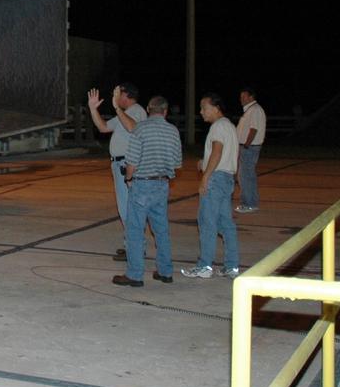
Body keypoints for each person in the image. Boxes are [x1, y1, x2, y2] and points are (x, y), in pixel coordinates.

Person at [112, 95, 182, 287]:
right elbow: (177, 162)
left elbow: (132, 160)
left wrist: (128, 178)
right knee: (161, 231)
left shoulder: (140, 129)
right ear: (165, 111)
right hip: (162, 185)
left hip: (142, 184)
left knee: (135, 230)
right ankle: (165, 271)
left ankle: (135, 274)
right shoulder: (173, 131)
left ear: (149, 110)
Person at [183, 93, 240, 278]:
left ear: (216, 108)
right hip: (227, 178)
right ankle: (231, 266)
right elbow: (226, 155)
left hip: (216, 179)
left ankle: (205, 266)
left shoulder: (218, 126)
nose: (201, 112)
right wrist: (204, 163)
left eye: (203, 107)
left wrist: (205, 177)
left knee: (207, 221)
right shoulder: (230, 126)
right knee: (226, 224)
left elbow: (217, 150)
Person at [88, 83, 146, 261]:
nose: (115, 97)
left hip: (127, 165)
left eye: (117, 94)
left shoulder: (136, 111)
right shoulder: (125, 113)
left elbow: (132, 127)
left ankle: (135, 249)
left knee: (129, 208)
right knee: (125, 208)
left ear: (126, 95)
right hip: (118, 165)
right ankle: (131, 245)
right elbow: (103, 127)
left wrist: (115, 108)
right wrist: (92, 109)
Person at [235, 87, 267, 213]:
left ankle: (249, 203)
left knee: (246, 176)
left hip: (249, 147)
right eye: (241, 97)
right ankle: (250, 202)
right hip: (246, 147)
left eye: (244, 97)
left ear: (251, 97)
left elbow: (254, 129)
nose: (241, 99)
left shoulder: (255, 110)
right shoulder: (249, 111)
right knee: (245, 175)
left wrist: (246, 144)